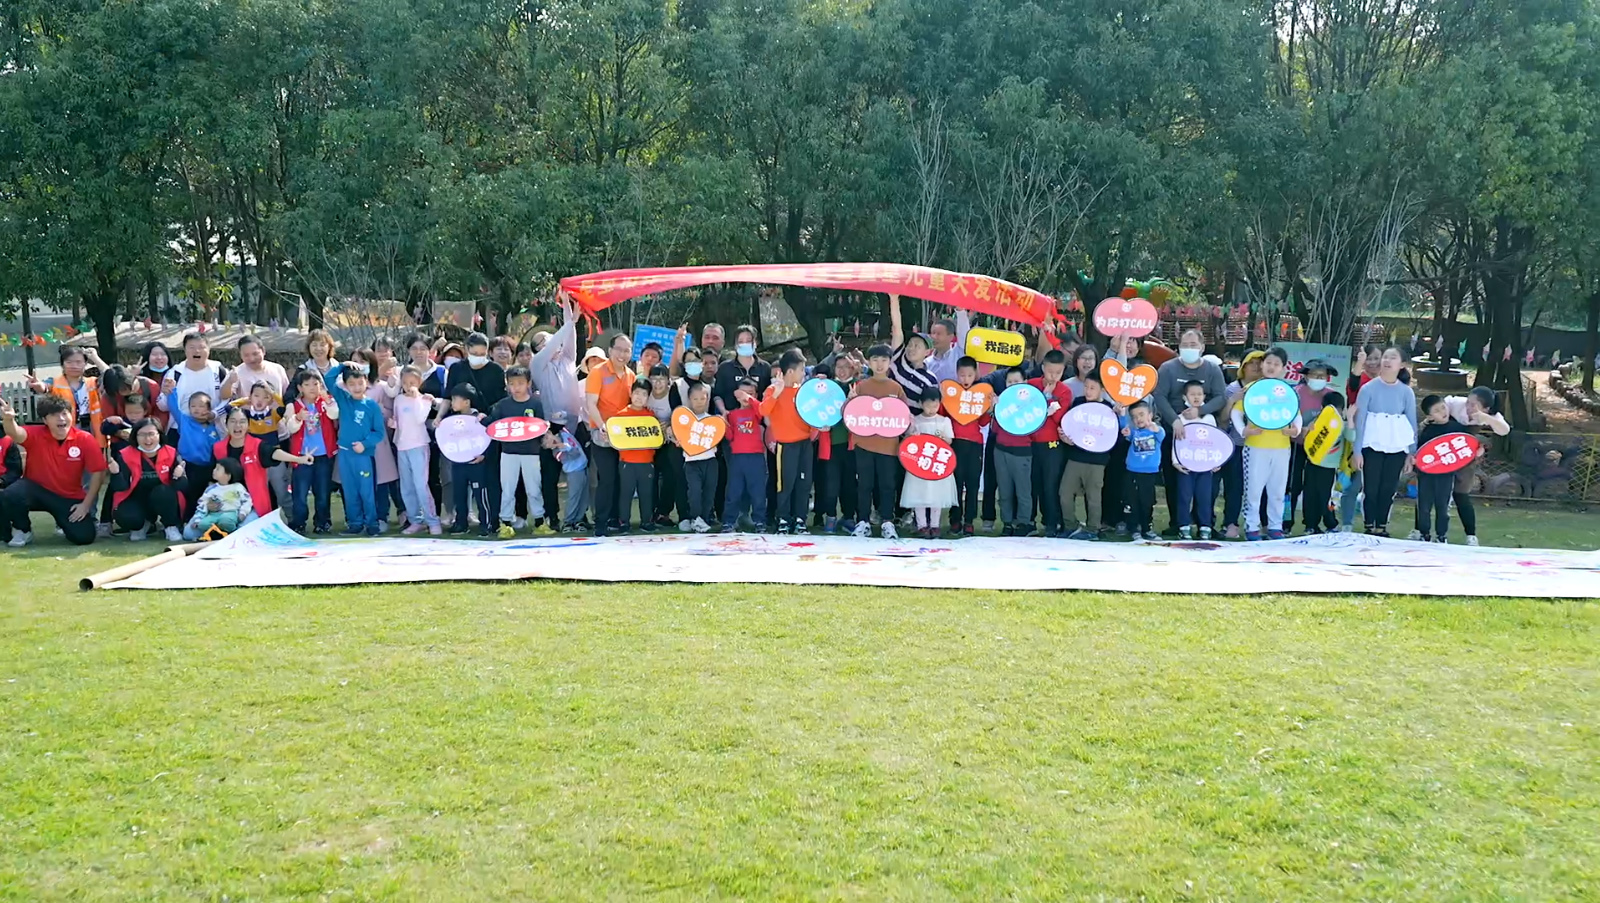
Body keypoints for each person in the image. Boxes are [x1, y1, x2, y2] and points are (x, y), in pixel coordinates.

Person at [0, 395, 108, 547]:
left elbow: (98, 471)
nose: (61, 418)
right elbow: (15, 433)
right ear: (45, 420)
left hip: (68, 496)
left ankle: (62, 522)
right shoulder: (36, 434)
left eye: (64, 413)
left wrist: (85, 504)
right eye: (54, 415)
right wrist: (9, 419)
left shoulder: (85, 439)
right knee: (11, 494)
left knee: (84, 537)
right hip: (36, 492)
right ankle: (23, 530)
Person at [1152, 329, 1227, 533]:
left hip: (1204, 433)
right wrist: (1175, 420)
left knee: (1206, 482)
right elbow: (1159, 396)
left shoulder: (1212, 369)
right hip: (1175, 431)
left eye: (1193, 345)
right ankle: (1178, 523)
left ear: (1202, 347)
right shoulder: (1168, 368)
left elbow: (1221, 397)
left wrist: (1201, 411)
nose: (1189, 348)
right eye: (1185, 345)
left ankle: (1205, 523)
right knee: (1175, 480)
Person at [1422, 385, 1509, 546]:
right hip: (1445, 450)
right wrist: (1430, 418)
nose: (1468, 407)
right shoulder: (1456, 404)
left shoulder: (1490, 416)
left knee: (1461, 494)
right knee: (1428, 494)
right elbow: (1438, 406)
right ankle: (1420, 531)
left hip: (1465, 454)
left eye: (1473, 405)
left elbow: (1504, 430)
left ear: (1485, 408)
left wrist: (1485, 417)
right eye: (1468, 402)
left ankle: (1471, 535)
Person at [1233, 347, 1303, 541]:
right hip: (1256, 446)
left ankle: (1275, 527)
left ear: (1283, 368)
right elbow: (1236, 412)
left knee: (1278, 490)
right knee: (1254, 489)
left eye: (1276, 364)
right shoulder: (1252, 388)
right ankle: (1252, 527)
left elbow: (1296, 415)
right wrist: (1243, 430)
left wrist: (1296, 430)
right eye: (1269, 363)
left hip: (1281, 447)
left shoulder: (1287, 391)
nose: (1272, 367)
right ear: (1262, 365)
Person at [1351, 346, 1417, 537]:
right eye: (1385, 357)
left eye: (1393, 357)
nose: (1387, 361)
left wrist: (1411, 453)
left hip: (1397, 447)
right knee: (1371, 488)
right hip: (1371, 445)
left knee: (1388, 488)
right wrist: (1357, 451)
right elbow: (1360, 421)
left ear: (1402, 364)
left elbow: (1411, 423)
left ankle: (1382, 525)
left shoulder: (1406, 392)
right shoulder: (1368, 389)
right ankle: (1369, 524)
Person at [849, 344, 909, 539]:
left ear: (890, 362)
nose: (880, 364)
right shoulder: (861, 386)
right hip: (864, 443)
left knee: (887, 484)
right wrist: (850, 401)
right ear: (869, 362)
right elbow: (848, 414)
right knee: (864, 484)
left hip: (888, 446)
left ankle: (887, 522)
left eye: (884, 360)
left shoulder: (896, 388)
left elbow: (904, 416)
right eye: (875, 360)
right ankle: (863, 521)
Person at [585, 332, 635, 537]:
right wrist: (602, 426)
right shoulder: (597, 372)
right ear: (610, 350)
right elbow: (591, 404)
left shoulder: (631, 375)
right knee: (607, 478)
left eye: (627, 350)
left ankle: (616, 519)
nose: (622, 355)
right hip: (602, 434)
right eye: (619, 350)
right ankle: (601, 522)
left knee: (621, 478)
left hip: (623, 435)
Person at [216, 406, 303, 523]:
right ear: (226, 424)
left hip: (255, 506)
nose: (237, 426)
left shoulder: (257, 445)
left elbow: (274, 453)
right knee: (193, 530)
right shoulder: (218, 448)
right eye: (233, 421)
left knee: (244, 527)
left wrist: (298, 459)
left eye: (242, 422)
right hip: (228, 504)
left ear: (248, 425)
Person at [760, 350, 814, 534]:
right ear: (790, 371)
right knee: (785, 483)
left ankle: (800, 519)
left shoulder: (803, 391)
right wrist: (776, 393)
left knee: (804, 483)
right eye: (801, 369)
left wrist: (819, 426)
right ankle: (783, 518)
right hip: (786, 445)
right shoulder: (773, 389)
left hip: (805, 444)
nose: (804, 373)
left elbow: (811, 415)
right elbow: (763, 411)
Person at [107, 418, 186, 542]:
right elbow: (120, 488)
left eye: (151, 434)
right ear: (135, 436)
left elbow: (182, 487)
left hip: (163, 498)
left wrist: (178, 476)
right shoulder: (125, 454)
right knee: (127, 517)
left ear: (159, 435)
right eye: (142, 435)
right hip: (136, 499)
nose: (147, 439)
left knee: (163, 492)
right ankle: (143, 525)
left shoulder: (171, 453)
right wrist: (116, 473)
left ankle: (170, 526)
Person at [490, 365, 547, 537]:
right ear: (507, 384)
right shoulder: (503, 405)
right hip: (509, 452)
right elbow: (493, 424)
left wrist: (547, 430)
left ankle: (540, 522)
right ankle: (506, 523)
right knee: (508, 489)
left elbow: (542, 426)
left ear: (528, 383)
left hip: (531, 453)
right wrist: (481, 418)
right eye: (512, 383)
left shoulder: (535, 404)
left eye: (521, 383)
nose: (516, 387)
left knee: (533, 488)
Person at [282, 369, 339, 534]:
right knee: (300, 494)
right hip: (301, 457)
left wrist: (327, 399)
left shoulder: (326, 402)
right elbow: (290, 428)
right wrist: (298, 418)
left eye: (316, 384)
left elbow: (334, 414)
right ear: (300, 388)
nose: (312, 388)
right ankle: (299, 522)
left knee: (322, 493)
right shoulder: (295, 405)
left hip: (323, 456)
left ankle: (322, 522)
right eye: (307, 385)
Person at [162, 369, 224, 520]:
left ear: (209, 409)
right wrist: (172, 391)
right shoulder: (185, 421)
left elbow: (217, 450)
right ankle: (183, 520)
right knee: (186, 494)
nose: (197, 409)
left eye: (201, 406)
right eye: (193, 406)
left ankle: (200, 520)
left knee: (202, 495)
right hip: (187, 465)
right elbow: (174, 407)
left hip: (206, 468)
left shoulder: (213, 428)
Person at [1061, 372, 1114, 540]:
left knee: (1093, 497)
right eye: (1086, 387)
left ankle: (1093, 529)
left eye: (1092, 388)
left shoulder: (1108, 409)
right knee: (1064, 493)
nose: (1088, 391)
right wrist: (1065, 437)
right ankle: (1070, 525)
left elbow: (1112, 435)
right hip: (1075, 456)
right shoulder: (1078, 403)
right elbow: (1069, 425)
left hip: (1097, 461)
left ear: (1102, 389)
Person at [391, 365, 442, 535]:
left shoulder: (424, 399)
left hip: (419, 446)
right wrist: (393, 424)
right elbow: (398, 420)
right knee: (407, 486)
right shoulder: (398, 399)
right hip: (402, 447)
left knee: (421, 485)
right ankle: (415, 520)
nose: (408, 386)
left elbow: (420, 418)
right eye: (405, 383)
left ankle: (432, 520)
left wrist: (417, 398)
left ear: (420, 382)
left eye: (412, 382)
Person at [1028, 350, 1074, 537]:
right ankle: (1028, 521)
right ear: (1043, 368)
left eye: (1058, 373)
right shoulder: (1031, 385)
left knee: (1051, 485)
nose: (1053, 376)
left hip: (1053, 445)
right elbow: (1027, 411)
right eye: (1050, 371)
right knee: (1032, 484)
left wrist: (1048, 398)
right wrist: (1042, 396)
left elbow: (1059, 418)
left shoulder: (1064, 391)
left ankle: (1052, 522)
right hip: (1031, 442)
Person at [901, 386, 957, 538]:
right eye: (928, 406)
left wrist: (943, 438)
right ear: (920, 404)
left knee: (936, 494)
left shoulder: (944, 421)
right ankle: (922, 525)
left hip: (937, 464)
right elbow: (907, 440)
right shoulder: (916, 420)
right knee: (919, 494)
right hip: (919, 464)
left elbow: (950, 440)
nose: (932, 409)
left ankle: (935, 525)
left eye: (935, 406)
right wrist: (912, 436)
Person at [1289, 359, 1338, 529]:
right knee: (1292, 486)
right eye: (1314, 375)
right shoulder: (1295, 394)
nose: (1318, 378)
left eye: (1322, 376)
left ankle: (1313, 523)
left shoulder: (1331, 396)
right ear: (1306, 376)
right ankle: (1286, 522)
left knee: (1315, 487)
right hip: (1296, 445)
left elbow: (1337, 421)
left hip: (1320, 449)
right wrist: (1299, 429)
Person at [1218, 350, 1263, 538]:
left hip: (1262, 446)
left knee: (1259, 487)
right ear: (1243, 366)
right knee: (1234, 487)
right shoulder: (1232, 388)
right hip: (1236, 445)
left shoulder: (1267, 388)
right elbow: (1222, 420)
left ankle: (1260, 524)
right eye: (1251, 363)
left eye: (1259, 362)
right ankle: (1230, 523)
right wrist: (1232, 401)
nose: (1256, 367)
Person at [812, 359, 858, 534]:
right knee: (830, 484)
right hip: (830, 444)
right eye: (839, 367)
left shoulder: (858, 387)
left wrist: (853, 400)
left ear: (853, 369)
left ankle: (848, 517)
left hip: (851, 445)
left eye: (847, 367)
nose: (843, 370)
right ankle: (830, 517)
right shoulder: (827, 387)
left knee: (849, 484)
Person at [440, 383, 491, 535]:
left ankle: (486, 523)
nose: (452, 402)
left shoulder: (479, 418)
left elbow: (487, 437)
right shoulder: (451, 420)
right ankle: (461, 523)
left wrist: (484, 455)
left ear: (467, 402)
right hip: (458, 462)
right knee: (459, 493)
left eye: (455, 399)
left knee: (479, 493)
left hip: (476, 463)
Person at [1172, 380, 1220, 540]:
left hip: (1205, 465)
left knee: (1204, 496)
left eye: (1199, 394)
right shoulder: (1180, 418)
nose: (1196, 397)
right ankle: (1183, 526)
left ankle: (1205, 526)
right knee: (1184, 496)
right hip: (1186, 464)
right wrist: (1175, 461)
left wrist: (1216, 461)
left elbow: (1215, 441)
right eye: (1192, 394)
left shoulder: (1209, 418)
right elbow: (1176, 441)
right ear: (1185, 397)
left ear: (1204, 396)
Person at [947, 356, 989, 537]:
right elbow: (943, 414)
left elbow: (983, 422)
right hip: (955, 443)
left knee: (972, 483)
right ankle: (955, 519)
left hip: (975, 444)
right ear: (957, 374)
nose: (965, 379)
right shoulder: (951, 394)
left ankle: (969, 520)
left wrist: (989, 408)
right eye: (962, 375)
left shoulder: (980, 394)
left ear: (975, 374)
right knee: (955, 483)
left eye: (970, 375)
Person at [722, 377, 767, 533]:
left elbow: (762, 410)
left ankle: (760, 521)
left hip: (756, 457)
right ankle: (729, 522)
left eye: (751, 393)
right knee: (734, 491)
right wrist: (724, 423)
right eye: (743, 393)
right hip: (737, 458)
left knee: (758, 492)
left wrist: (750, 399)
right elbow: (730, 436)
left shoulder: (757, 411)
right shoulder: (733, 414)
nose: (746, 397)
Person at [993, 368, 1034, 537]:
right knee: (1004, 490)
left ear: (1025, 382)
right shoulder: (1002, 403)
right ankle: (1007, 522)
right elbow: (995, 429)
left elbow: (1035, 430)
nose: (1012, 385)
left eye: (1016, 382)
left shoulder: (1032, 404)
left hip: (1022, 452)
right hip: (1001, 450)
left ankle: (1023, 522)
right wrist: (995, 409)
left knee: (1023, 491)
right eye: (1009, 382)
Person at [28, 346, 104, 435]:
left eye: (78, 362)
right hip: (66, 427)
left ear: (85, 364)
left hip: (92, 428)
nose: (74, 366)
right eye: (69, 362)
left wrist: (95, 358)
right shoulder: (54, 382)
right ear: (62, 365)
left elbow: (112, 376)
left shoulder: (94, 382)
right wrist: (39, 386)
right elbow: (44, 387)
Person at [1413, 395, 1458, 543]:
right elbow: (1420, 452)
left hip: (1446, 475)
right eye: (1437, 411)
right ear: (1430, 416)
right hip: (1426, 475)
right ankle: (1424, 533)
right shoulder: (1427, 431)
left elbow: (1467, 444)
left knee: (1443, 506)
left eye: (1443, 407)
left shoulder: (1456, 428)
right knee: (1424, 505)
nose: (1442, 412)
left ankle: (1441, 535)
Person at [615, 382, 658, 532]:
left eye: (644, 394)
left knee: (646, 493)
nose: (640, 397)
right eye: (637, 393)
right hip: (627, 461)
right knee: (625, 493)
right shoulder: (620, 415)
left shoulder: (650, 416)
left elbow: (655, 438)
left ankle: (646, 521)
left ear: (648, 397)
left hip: (646, 461)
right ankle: (624, 522)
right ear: (631, 394)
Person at [677, 382, 719, 533]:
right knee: (694, 492)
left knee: (709, 492)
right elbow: (678, 437)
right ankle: (695, 518)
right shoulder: (684, 420)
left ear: (707, 399)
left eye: (702, 398)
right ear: (689, 399)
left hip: (710, 460)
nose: (699, 402)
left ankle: (704, 520)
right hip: (691, 462)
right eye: (695, 399)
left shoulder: (714, 420)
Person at [1300, 392, 1344, 535]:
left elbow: (1351, 437)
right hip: (1312, 463)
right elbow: (1307, 439)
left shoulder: (1342, 424)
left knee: (1328, 498)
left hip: (1329, 468)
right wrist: (1308, 431)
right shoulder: (1318, 422)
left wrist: (1350, 420)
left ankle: (1331, 524)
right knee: (1310, 495)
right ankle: (1310, 525)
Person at [1120, 400, 1165, 542]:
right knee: (1132, 501)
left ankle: (1147, 528)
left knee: (1147, 502)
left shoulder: (1156, 431)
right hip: (1132, 472)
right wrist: (1122, 417)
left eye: (1141, 414)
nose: (1138, 419)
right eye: (1134, 417)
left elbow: (1161, 434)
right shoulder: (1134, 432)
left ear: (1150, 415)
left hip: (1149, 473)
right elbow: (1125, 430)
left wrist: (1154, 428)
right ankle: (1134, 529)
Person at [182, 457, 253, 540]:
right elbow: (202, 503)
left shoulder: (238, 487)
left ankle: (226, 532)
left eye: (218, 469)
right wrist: (198, 519)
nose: (214, 470)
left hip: (230, 513)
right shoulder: (211, 489)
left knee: (226, 521)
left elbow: (247, 501)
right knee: (203, 524)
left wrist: (243, 513)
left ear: (228, 475)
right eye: (215, 468)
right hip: (213, 514)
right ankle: (215, 533)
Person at [887, 295, 939, 400]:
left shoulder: (931, 380)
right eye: (910, 345)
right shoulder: (898, 359)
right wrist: (894, 299)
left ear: (927, 352)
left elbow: (931, 405)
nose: (911, 348)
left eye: (916, 346)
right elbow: (897, 329)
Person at [711, 325, 771, 416]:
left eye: (748, 341)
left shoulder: (765, 368)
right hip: (731, 419)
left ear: (756, 343)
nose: (745, 344)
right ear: (735, 345)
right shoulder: (725, 368)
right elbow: (718, 395)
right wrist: (723, 411)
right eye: (740, 342)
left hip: (759, 420)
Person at [645, 364, 678, 527]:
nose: (658, 383)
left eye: (661, 379)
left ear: (668, 380)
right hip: (648, 442)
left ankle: (664, 512)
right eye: (654, 379)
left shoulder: (673, 394)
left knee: (669, 476)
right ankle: (649, 513)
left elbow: (680, 414)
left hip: (668, 441)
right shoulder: (645, 393)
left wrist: (670, 423)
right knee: (650, 477)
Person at [164, 332, 228, 413]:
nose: (197, 351)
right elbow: (162, 406)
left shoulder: (219, 370)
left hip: (213, 420)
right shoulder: (174, 373)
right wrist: (166, 394)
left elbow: (228, 400)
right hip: (180, 420)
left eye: (201, 347)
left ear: (209, 350)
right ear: (185, 350)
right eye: (192, 347)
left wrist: (215, 414)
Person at [544, 422, 590, 533]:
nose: (548, 442)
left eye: (547, 438)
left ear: (549, 433)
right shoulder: (557, 452)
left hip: (584, 467)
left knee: (584, 496)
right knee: (573, 496)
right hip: (574, 472)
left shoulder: (564, 432)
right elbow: (574, 454)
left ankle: (579, 520)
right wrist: (563, 446)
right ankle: (568, 521)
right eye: (546, 444)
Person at [222, 334, 289, 400]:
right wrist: (230, 382)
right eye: (246, 355)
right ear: (241, 355)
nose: (252, 359)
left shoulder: (278, 369)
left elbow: (288, 394)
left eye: (255, 354)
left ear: (263, 351)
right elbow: (224, 396)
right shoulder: (237, 372)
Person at [924, 311, 971, 384]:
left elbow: (964, 335)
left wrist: (960, 311)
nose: (934, 337)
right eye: (933, 333)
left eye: (939, 334)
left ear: (951, 337)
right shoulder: (927, 363)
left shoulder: (958, 354)